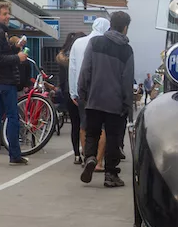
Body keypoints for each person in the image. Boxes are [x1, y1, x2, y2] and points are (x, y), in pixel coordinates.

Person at [77, 11, 134, 187]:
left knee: (92, 132)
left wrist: (83, 92)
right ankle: (111, 175)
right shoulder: (127, 50)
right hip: (115, 103)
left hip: (94, 98)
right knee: (113, 138)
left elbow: (86, 69)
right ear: (125, 28)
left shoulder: (95, 42)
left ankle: (90, 158)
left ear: (111, 24)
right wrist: (127, 104)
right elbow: (127, 79)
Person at [0, 3, 29, 166]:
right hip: (4, 80)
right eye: (4, 14)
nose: (8, 16)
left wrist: (14, 48)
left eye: (8, 13)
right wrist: (18, 58)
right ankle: (14, 154)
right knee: (12, 117)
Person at [69, 16, 111, 170]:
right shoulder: (108, 45)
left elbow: (72, 69)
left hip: (82, 91)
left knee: (84, 125)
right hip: (103, 90)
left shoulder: (78, 43)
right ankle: (99, 162)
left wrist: (73, 92)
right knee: (103, 127)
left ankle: (87, 158)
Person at [56, 31, 86, 164]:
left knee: (75, 124)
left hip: (68, 94)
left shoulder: (63, 59)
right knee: (85, 124)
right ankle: (86, 152)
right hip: (82, 93)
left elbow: (62, 80)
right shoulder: (82, 56)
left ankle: (76, 154)